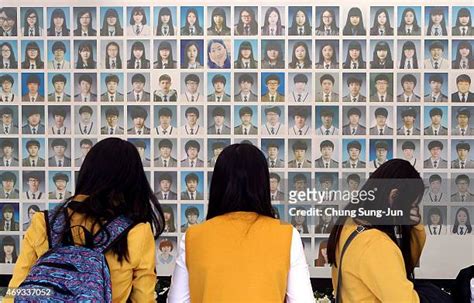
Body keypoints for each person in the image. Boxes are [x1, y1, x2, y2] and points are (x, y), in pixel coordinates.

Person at [8, 138, 165, 301]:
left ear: (87, 172)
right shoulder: (136, 231)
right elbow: (143, 298)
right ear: (133, 181)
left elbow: (14, 291)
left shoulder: (44, 222)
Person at [168, 143, 314, 301]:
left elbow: (177, 300)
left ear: (217, 184)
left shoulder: (193, 236)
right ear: (262, 184)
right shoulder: (287, 234)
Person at [328, 159, 425, 302]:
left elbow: (403, 265)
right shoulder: (377, 245)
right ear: (394, 196)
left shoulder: (349, 223)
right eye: (412, 204)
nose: (413, 211)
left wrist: (415, 227)